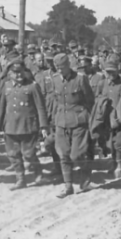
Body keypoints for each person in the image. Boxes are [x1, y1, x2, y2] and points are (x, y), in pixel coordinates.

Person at [0, 58, 48, 190]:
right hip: (10, 126)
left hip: (28, 126)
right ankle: (20, 179)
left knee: (29, 154)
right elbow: (1, 107)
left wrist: (43, 126)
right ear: (10, 74)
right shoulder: (6, 86)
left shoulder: (32, 86)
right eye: (15, 72)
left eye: (21, 72)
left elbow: (40, 107)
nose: (19, 75)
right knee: (13, 155)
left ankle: (38, 173)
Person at [50, 54, 95, 198]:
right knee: (63, 154)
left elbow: (90, 100)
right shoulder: (55, 79)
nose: (60, 70)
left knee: (77, 154)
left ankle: (85, 180)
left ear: (68, 65)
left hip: (78, 121)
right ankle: (68, 186)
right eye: (57, 68)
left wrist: (88, 119)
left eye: (62, 67)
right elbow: (56, 100)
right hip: (61, 121)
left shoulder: (80, 79)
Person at [90, 55, 121, 178]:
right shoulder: (102, 84)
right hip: (107, 119)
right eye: (108, 71)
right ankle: (113, 163)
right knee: (110, 143)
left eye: (113, 71)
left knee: (120, 143)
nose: (111, 74)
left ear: (117, 70)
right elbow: (97, 99)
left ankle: (120, 165)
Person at [34, 50, 63, 178]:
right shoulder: (43, 75)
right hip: (49, 110)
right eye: (49, 61)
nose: (51, 63)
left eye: (53, 61)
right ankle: (57, 167)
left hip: (60, 110)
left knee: (61, 141)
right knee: (51, 141)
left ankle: (64, 167)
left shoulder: (62, 74)